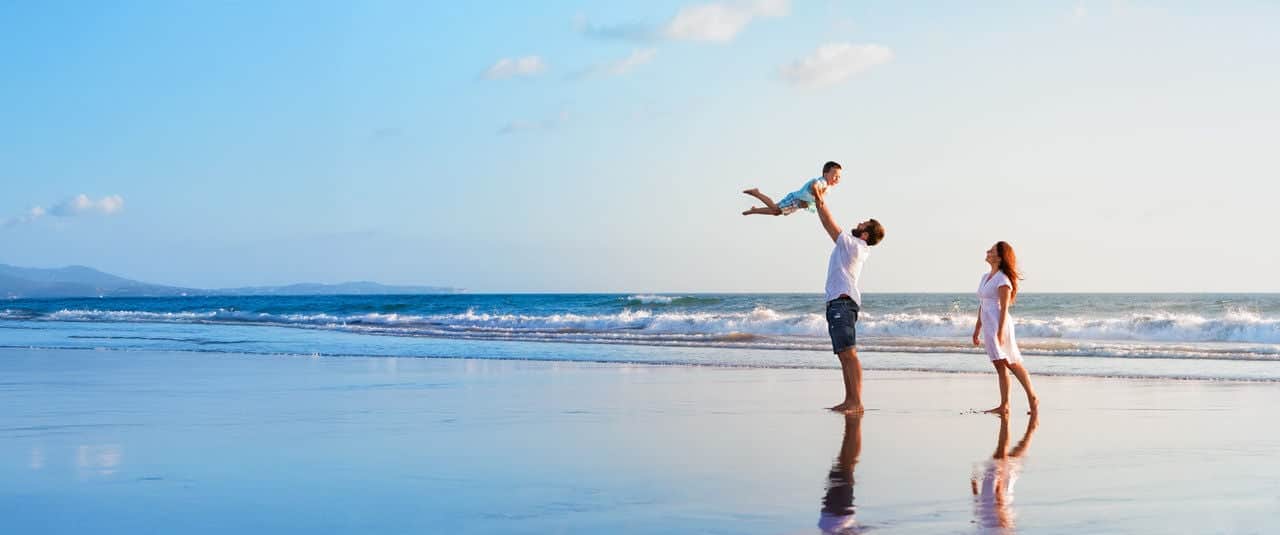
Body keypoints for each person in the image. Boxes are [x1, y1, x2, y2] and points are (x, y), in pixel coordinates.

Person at [813, 181, 884, 413]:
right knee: (844, 354)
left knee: (848, 353)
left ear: (865, 233)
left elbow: (829, 225)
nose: (858, 223)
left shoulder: (854, 245)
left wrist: (819, 199)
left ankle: (855, 401)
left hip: (842, 303)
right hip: (840, 302)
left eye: (863, 223)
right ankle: (851, 400)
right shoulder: (854, 246)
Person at [972, 241, 1039, 415]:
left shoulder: (1003, 279)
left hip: (999, 323)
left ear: (1000, 257)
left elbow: (1004, 307)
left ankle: (1032, 397)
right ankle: (1005, 405)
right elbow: (983, 304)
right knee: (999, 364)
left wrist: (1000, 331)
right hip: (988, 323)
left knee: (1011, 362)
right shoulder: (985, 277)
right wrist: (977, 328)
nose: (987, 251)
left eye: (992, 250)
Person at [971, 412, 1038, 531]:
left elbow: (980, 516)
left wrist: (976, 492)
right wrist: (999, 484)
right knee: (1006, 455)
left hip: (992, 496)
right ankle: (1020, 425)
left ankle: (1029, 429)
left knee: (1009, 456)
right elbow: (1002, 519)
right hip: (996, 494)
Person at [741, 161, 842, 216]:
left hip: (798, 203)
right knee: (776, 209)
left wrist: (811, 203)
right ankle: (757, 193)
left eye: (839, 177)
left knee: (776, 212)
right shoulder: (822, 182)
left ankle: (754, 210)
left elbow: (814, 198)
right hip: (795, 199)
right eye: (835, 175)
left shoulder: (828, 187)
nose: (837, 178)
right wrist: (819, 198)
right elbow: (814, 186)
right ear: (825, 174)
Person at [819, 414, 864, 534]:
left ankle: (854, 421)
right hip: (830, 517)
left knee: (846, 466)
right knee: (844, 467)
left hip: (838, 517)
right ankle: (854, 422)